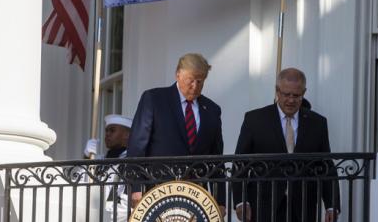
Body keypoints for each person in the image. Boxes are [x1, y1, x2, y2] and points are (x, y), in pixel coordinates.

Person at [233, 68, 340, 222]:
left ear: (304, 92)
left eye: (296, 95)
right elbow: (240, 162)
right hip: (263, 205)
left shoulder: (318, 123)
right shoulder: (254, 120)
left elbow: (326, 165)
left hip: (303, 206)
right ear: (277, 91)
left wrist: (332, 205)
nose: (291, 100)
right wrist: (241, 201)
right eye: (286, 94)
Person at [128, 53, 226, 214]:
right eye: (191, 80)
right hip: (158, 191)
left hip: (197, 197)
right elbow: (137, 147)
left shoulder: (212, 110)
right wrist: (136, 187)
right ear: (178, 74)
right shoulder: (154, 99)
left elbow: (216, 159)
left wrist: (219, 201)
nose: (195, 86)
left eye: (200, 81)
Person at [84, 114, 132, 222]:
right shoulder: (99, 161)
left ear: (127, 135)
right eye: (106, 131)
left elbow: (126, 204)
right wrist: (87, 158)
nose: (107, 134)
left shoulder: (131, 162)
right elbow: (81, 182)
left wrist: (103, 215)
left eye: (112, 130)